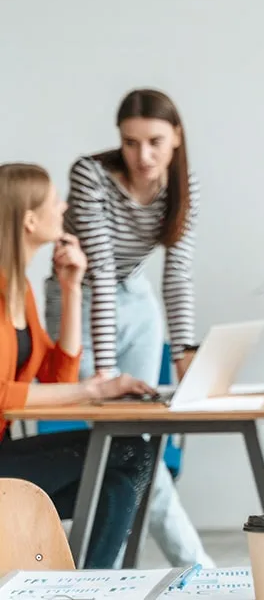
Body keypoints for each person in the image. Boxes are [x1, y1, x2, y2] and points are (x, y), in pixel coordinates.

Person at [43, 88, 213, 568]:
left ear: (177, 136)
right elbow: (96, 271)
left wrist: (185, 352)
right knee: (119, 432)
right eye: (131, 142)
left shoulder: (183, 187)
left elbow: (177, 274)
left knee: (139, 435)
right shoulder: (90, 174)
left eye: (155, 141)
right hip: (77, 297)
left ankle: (124, 574)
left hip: (138, 299)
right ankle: (197, 570)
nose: (143, 155)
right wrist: (108, 376)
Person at [0, 162, 157, 568]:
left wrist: (71, 289)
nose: (64, 206)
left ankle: (88, 590)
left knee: (118, 482)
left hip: (6, 455)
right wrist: (94, 390)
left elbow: (57, 375)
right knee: (125, 453)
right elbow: (5, 394)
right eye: (55, 201)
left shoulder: (21, 291)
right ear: (30, 220)